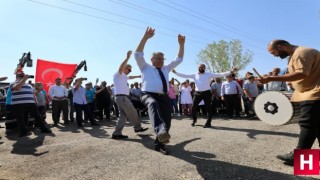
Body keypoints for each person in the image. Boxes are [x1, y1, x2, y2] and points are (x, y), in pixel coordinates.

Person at [258, 39, 320, 165]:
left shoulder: (301, 52)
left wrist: (271, 78)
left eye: (273, 52)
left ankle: (299, 157)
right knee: (316, 126)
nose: (274, 55)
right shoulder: (294, 55)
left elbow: (302, 73)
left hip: (314, 92)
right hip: (310, 91)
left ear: (281, 47)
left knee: (307, 124)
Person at [134, 27, 185, 155]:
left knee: (167, 120)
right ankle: (160, 130)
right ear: (152, 59)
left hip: (163, 96)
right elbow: (137, 54)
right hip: (147, 94)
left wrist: (181, 45)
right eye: (158, 59)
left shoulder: (166, 69)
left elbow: (179, 59)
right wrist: (145, 37)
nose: (161, 61)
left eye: (162, 59)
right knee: (152, 104)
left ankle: (160, 143)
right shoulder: (145, 67)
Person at [172, 64, 237, 127]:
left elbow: (219, 74)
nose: (201, 68)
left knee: (208, 108)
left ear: (204, 68)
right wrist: (175, 72)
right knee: (194, 107)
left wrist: (231, 71)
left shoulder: (208, 74)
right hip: (198, 93)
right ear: (198, 68)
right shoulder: (194, 75)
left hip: (207, 93)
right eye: (200, 67)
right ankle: (194, 120)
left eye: (203, 67)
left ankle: (208, 123)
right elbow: (184, 75)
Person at [112, 50, 148, 139]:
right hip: (122, 97)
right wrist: (127, 58)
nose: (130, 71)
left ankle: (116, 133)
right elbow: (121, 67)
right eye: (129, 69)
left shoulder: (124, 76)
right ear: (124, 68)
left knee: (123, 116)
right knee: (133, 112)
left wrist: (138, 76)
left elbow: (130, 77)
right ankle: (138, 128)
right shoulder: (118, 74)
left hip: (121, 98)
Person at [10, 72, 51, 137]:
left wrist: (36, 101)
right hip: (18, 104)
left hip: (31, 103)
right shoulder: (13, 83)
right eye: (20, 76)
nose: (22, 77)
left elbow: (33, 94)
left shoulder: (29, 85)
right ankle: (23, 131)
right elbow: (17, 88)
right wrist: (24, 79)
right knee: (20, 118)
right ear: (16, 77)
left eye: (23, 76)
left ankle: (43, 128)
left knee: (38, 116)